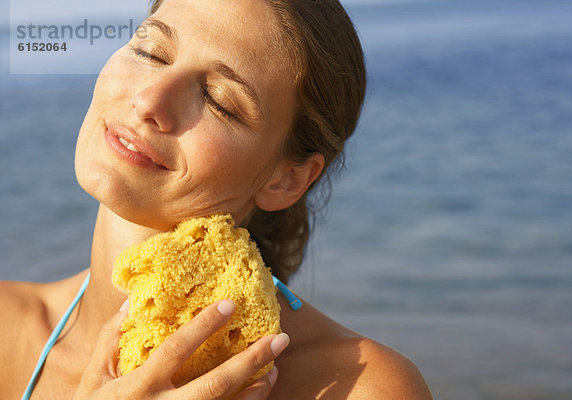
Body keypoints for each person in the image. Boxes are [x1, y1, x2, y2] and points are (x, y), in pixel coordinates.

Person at [0, 0, 433, 398]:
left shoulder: (357, 386)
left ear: (287, 178)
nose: (149, 100)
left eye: (218, 101)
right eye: (151, 52)